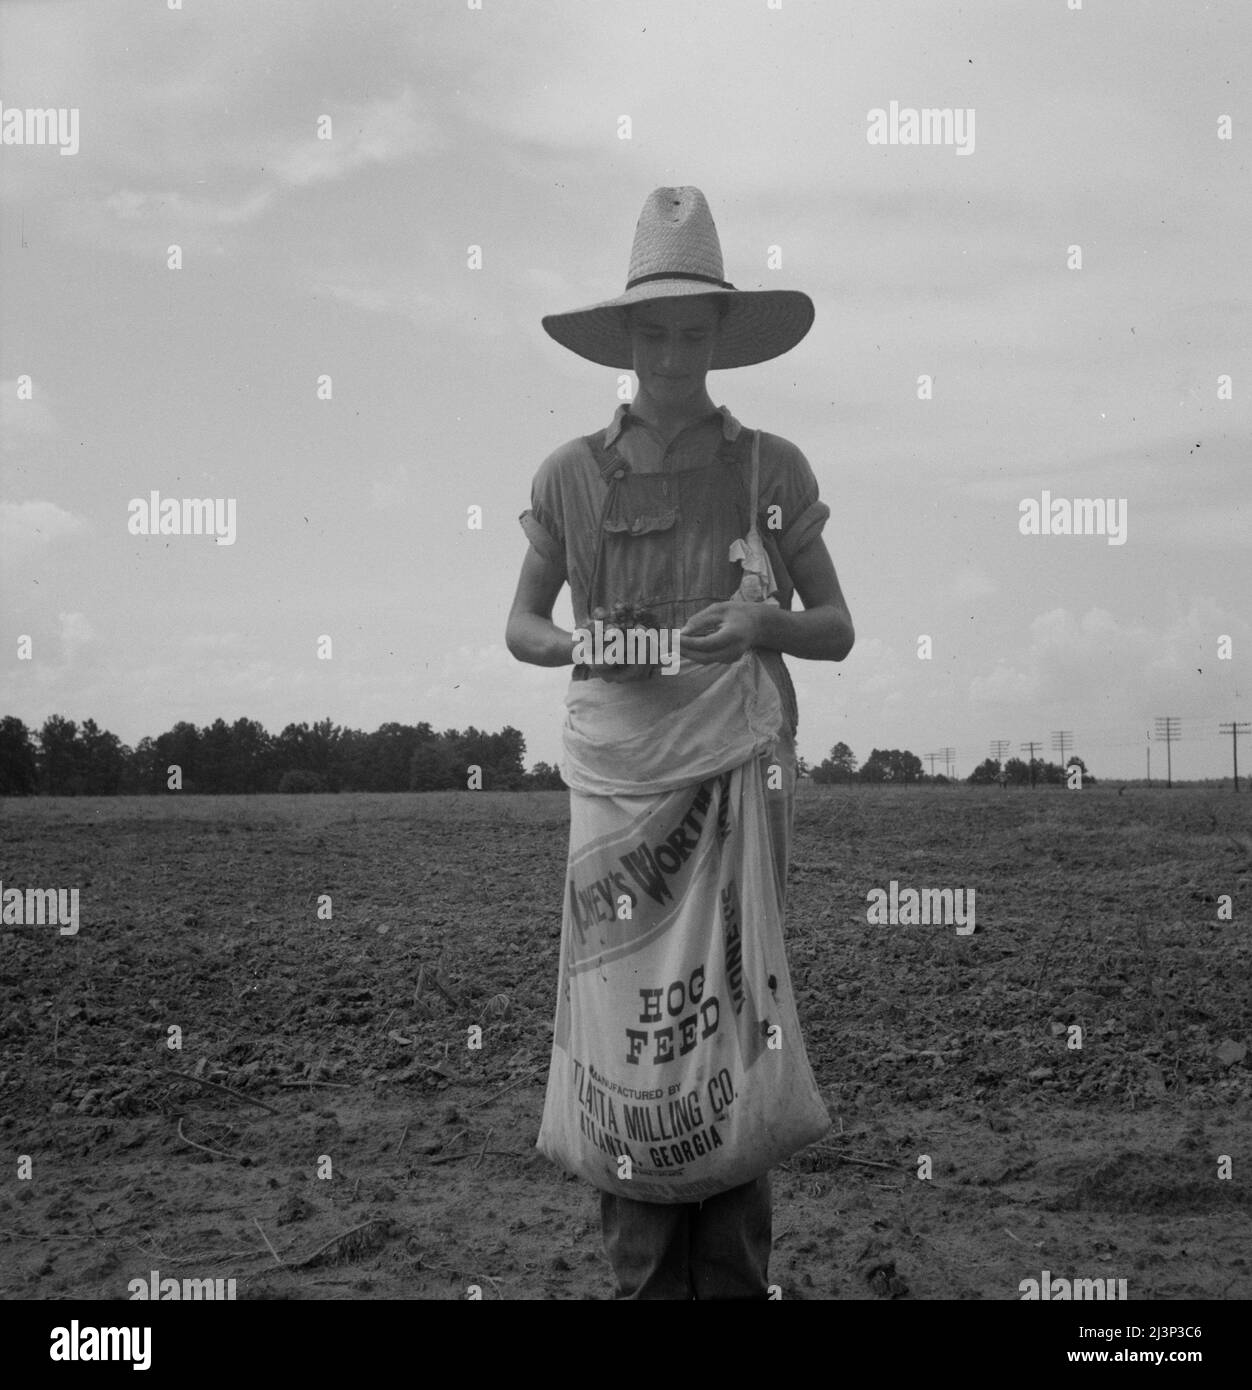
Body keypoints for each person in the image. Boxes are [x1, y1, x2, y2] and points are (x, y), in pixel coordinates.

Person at [506, 186, 854, 1299]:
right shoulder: (568, 473)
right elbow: (519, 623)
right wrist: (571, 648)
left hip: (738, 786)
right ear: (626, 340)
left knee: (729, 1017)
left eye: (692, 331)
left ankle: (737, 1267)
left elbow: (837, 628)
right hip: (617, 793)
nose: (671, 353)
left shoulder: (768, 471)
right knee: (625, 1026)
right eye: (652, 333)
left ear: (720, 337)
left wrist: (762, 624)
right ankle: (643, 1269)